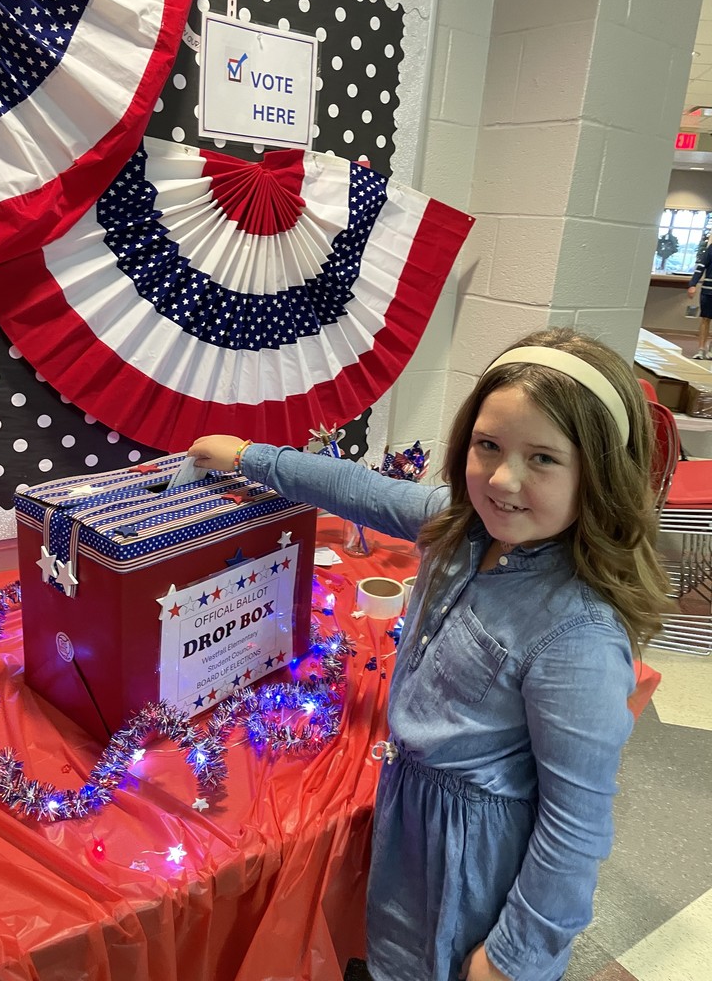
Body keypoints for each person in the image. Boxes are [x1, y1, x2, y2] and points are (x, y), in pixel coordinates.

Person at [188, 327, 670, 981]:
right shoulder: (462, 526)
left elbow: (576, 825)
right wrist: (250, 456)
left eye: (543, 459)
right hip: (411, 817)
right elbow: (356, 489)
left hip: (470, 858)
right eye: (488, 446)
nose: (503, 480)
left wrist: (512, 959)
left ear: (598, 474)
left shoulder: (578, 636)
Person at [687, 241, 712, 358]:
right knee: (705, 319)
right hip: (708, 290)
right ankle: (701, 349)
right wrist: (693, 284)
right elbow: (701, 266)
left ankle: (710, 349)